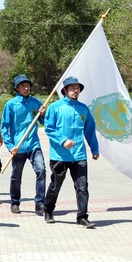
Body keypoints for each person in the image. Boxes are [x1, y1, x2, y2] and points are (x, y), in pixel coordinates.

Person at [44, 77, 99, 229]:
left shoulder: (83, 109)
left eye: (78, 88)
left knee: (82, 186)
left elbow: (90, 130)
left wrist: (94, 148)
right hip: (59, 155)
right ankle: (48, 210)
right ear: (65, 90)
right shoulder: (55, 107)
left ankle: (82, 217)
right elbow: (49, 128)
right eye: (72, 87)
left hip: (79, 155)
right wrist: (63, 141)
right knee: (55, 186)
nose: (75, 90)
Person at [1, 74, 46, 214]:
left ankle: (40, 202)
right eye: (23, 86)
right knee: (16, 176)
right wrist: (10, 146)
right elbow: (4, 128)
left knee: (41, 170)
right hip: (18, 146)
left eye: (28, 85)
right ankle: (14, 203)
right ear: (17, 88)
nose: (26, 88)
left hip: (33, 145)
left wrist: (44, 114)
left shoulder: (37, 102)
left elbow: (44, 123)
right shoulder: (11, 105)